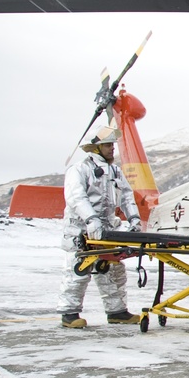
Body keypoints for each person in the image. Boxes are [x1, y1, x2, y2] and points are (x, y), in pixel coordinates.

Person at [57, 125, 143, 328]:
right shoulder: (79, 169)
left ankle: (117, 311)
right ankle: (69, 314)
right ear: (95, 147)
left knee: (112, 270)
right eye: (107, 145)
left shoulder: (114, 171)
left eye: (112, 144)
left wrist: (134, 219)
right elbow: (76, 198)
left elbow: (127, 196)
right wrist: (91, 220)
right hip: (81, 231)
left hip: (106, 230)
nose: (112, 148)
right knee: (78, 271)